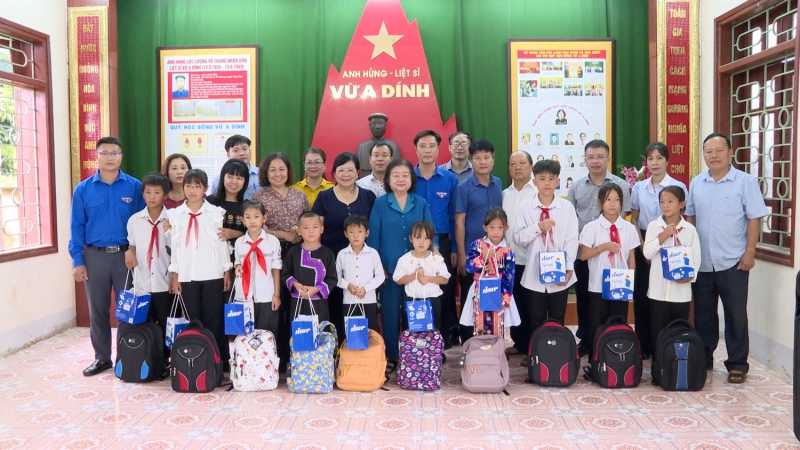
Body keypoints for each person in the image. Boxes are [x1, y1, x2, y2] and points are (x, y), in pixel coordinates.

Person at [686, 133, 768, 383]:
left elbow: (754, 217)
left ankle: (737, 363)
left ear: (730, 152)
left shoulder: (745, 182)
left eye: (719, 150)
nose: (714, 155)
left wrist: (750, 252)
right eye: (708, 151)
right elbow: (690, 217)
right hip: (703, 262)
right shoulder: (697, 183)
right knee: (704, 314)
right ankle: (705, 358)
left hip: (734, 261)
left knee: (735, 314)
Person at [69, 136, 145, 376]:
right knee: (98, 310)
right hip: (95, 257)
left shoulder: (134, 187)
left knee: (126, 309)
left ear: (121, 156)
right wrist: (77, 261)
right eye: (105, 152)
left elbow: (140, 224)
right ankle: (102, 358)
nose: (110, 157)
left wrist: (134, 251)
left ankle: (125, 355)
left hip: (126, 257)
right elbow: (76, 227)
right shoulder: (83, 189)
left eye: (115, 153)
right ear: (97, 156)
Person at [367, 159, 436, 373]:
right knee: (388, 312)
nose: (400, 179)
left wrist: (435, 254)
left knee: (414, 311)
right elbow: (373, 238)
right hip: (388, 270)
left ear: (411, 179)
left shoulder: (420, 202)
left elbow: (431, 234)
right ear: (388, 179)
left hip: (417, 271)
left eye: (405, 175)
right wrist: (376, 269)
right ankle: (392, 356)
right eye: (395, 175)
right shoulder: (380, 203)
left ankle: (413, 352)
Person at [568, 139, 631, 356]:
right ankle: (587, 339)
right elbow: (571, 219)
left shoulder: (620, 185)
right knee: (586, 297)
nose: (595, 161)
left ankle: (615, 338)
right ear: (585, 160)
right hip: (585, 253)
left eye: (599, 156)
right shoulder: (576, 186)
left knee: (613, 298)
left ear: (608, 158)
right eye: (591, 157)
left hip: (612, 252)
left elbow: (622, 218)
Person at [515, 160, 579, 358]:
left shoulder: (566, 207)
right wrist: (538, 227)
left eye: (551, 179)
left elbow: (571, 239)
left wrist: (568, 267)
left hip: (560, 272)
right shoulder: (525, 207)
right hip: (534, 273)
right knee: (535, 318)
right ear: (535, 181)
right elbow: (518, 238)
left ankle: (557, 356)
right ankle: (536, 356)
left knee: (558, 316)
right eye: (542, 179)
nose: (547, 183)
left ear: (558, 181)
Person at [168, 169, 233, 366]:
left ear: (205, 188)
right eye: (189, 186)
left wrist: (226, 271)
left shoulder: (215, 213)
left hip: (212, 272)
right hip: (187, 275)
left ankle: (217, 360)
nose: (193, 190)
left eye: (198, 186)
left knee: (214, 317)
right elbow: (176, 247)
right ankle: (195, 358)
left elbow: (221, 244)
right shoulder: (175, 215)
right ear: (183, 187)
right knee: (192, 317)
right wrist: (175, 275)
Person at [630, 142, 688, 358]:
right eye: (650, 159)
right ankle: (644, 345)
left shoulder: (678, 185)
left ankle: (668, 344)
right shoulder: (638, 188)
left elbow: (684, 218)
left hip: (672, 240)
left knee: (668, 294)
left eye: (659, 158)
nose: (654, 163)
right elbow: (634, 219)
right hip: (645, 239)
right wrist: (643, 244)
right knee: (643, 294)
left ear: (667, 161)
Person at [313, 153, 377, 340]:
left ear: (358, 173)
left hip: (362, 261)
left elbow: (373, 228)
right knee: (334, 305)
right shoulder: (324, 197)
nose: (346, 174)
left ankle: (361, 352)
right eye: (341, 170)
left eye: (351, 170)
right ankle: (336, 349)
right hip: (331, 261)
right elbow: (317, 228)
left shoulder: (368, 196)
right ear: (333, 173)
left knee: (361, 306)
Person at [642, 186, 700, 367]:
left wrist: (689, 277)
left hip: (680, 292)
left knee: (678, 329)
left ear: (682, 204)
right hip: (657, 292)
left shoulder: (689, 229)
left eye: (670, 201)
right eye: (662, 202)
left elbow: (696, 259)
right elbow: (648, 253)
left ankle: (676, 365)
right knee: (658, 331)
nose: (665, 206)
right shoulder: (654, 226)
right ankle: (658, 367)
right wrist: (662, 236)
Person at [578, 184, 638, 358]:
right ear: (600, 202)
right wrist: (604, 247)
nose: (612, 204)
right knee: (597, 323)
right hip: (598, 284)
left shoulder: (629, 229)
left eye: (617, 200)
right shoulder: (592, 227)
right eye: (608, 200)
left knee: (619, 322)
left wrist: (631, 281)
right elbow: (583, 255)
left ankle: (618, 359)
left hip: (621, 282)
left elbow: (631, 257)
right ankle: (597, 360)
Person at [411, 130, 459, 348]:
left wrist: (455, 248)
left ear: (439, 149)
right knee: (416, 288)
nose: (427, 150)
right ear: (416, 149)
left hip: (443, 242)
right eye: (423, 146)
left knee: (445, 291)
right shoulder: (408, 178)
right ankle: (417, 335)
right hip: (414, 243)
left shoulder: (449, 179)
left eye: (432, 146)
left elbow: (454, 216)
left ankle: (445, 336)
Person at [454, 139, 502, 342]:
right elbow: (459, 222)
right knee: (469, 298)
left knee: (492, 296)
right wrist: (463, 254)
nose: (482, 162)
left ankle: (492, 339)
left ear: (493, 160)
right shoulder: (463, 187)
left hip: (496, 252)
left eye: (486, 157)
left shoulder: (498, 183)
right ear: (471, 161)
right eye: (477, 158)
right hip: (473, 253)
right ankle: (468, 341)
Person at [124, 172, 172, 363]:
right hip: (142, 282)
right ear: (142, 194)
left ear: (165, 195)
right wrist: (129, 251)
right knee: (145, 323)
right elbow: (132, 243)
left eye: (157, 192)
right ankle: (148, 360)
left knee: (166, 322)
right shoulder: (135, 220)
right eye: (148, 192)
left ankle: (165, 360)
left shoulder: (172, 220)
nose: (152, 196)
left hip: (164, 281)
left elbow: (176, 250)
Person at [459, 208, 519, 337]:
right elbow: (469, 267)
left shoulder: (507, 251)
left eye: (500, 227)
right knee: (479, 320)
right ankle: (480, 351)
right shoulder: (477, 245)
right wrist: (483, 257)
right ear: (485, 227)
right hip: (479, 289)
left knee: (498, 321)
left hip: (499, 291)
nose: (496, 232)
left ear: (506, 228)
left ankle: (496, 352)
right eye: (491, 227)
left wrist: (506, 296)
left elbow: (509, 276)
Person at [502, 151, 538, 355]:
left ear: (531, 166)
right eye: (513, 163)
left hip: (531, 258)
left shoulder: (537, 193)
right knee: (514, 302)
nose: (517, 167)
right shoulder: (505, 194)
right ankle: (519, 343)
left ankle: (534, 345)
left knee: (532, 304)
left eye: (522, 163)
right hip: (509, 258)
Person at [234, 200, 283, 337]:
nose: (252, 221)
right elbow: (237, 262)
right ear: (242, 220)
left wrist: (276, 295)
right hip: (244, 296)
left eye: (256, 216)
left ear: (264, 218)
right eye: (247, 217)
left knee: (266, 334)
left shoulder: (272, 241)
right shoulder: (239, 243)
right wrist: (237, 266)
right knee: (244, 336)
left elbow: (276, 269)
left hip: (266, 295)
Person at [393, 220, 451, 337]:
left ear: (431, 240)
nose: (421, 242)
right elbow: (398, 279)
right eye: (417, 237)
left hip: (432, 300)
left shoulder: (436, 258)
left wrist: (428, 278)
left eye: (426, 238)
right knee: (412, 332)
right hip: (413, 301)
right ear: (411, 238)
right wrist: (415, 276)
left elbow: (445, 279)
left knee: (433, 331)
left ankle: (433, 354)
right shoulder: (404, 259)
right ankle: (412, 355)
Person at [281, 211, 337, 323]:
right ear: (299, 231)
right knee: (299, 335)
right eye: (306, 228)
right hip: (298, 302)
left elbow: (332, 278)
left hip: (319, 304)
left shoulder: (327, 253)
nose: (311, 231)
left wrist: (316, 289)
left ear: (321, 229)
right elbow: (285, 274)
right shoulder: (293, 252)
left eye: (315, 227)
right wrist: (296, 285)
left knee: (320, 335)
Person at [252, 153, 308, 256]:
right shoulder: (258, 198)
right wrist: (283, 235)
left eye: (282, 169)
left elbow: (308, 220)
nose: (278, 174)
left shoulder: (300, 195)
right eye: (273, 170)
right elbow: (254, 227)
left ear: (288, 171)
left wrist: (299, 228)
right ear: (266, 173)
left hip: (301, 249)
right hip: (270, 250)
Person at [336, 214, 384, 332]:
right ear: (346, 234)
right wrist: (348, 285)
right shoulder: (342, 254)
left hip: (368, 300)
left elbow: (380, 276)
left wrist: (366, 289)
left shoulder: (373, 253)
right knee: (351, 334)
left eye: (360, 231)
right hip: (349, 301)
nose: (356, 235)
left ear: (367, 233)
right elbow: (335, 276)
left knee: (370, 333)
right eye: (351, 232)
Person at [207, 159, 248, 257]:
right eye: (230, 177)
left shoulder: (248, 206)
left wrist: (235, 233)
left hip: (240, 257)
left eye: (239, 178)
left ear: (245, 181)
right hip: (212, 255)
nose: (234, 182)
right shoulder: (210, 201)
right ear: (223, 178)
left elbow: (255, 233)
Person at [209, 135, 261, 200]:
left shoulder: (261, 175)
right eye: (236, 150)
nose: (242, 153)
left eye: (244, 149)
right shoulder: (218, 179)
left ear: (250, 152)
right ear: (228, 155)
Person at [356, 112, 400, 178]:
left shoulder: (394, 146)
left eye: (380, 124)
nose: (377, 127)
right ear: (369, 126)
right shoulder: (362, 147)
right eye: (374, 124)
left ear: (385, 126)